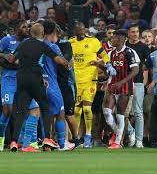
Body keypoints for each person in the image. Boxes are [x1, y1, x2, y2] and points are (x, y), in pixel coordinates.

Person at [7, 23, 69, 152]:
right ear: (42, 33)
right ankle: (47, 138)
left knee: (21, 111)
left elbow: (12, 59)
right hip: (35, 78)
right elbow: (57, 59)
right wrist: (65, 63)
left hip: (21, 78)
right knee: (44, 107)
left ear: (31, 33)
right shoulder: (42, 45)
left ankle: (14, 142)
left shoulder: (23, 44)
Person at [69, 22, 116, 148]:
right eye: (79, 30)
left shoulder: (93, 41)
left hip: (90, 79)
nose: (81, 32)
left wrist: (108, 64)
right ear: (75, 31)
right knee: (77, 111)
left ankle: (88, 136)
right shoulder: (71, 42)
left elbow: (104, 54)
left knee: (87, 108)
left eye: (83, 29)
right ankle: (76, 138)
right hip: (76, 80)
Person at [0, 20, 40, 152]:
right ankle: (1, 139)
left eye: (28, 27)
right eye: (24, 27)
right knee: (8, 110)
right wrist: (5, 55)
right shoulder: (6, 40)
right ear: (16, 28)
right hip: (9, 79)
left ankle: (27, 143)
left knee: (34, 109)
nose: (27, 29)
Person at [102, 29, 139, 149]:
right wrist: (99, 66)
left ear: (121, 39)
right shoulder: (111, 53)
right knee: (107, 112)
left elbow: (135, 70)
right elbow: (108, 70)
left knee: (120, 115)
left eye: (114, 38)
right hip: (112, 86)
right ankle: (125, 132)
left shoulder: (129, 52)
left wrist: (121, 82)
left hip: (125, 87)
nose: (111, 40)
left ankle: (117, 142)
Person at [42, 20, 75, 151]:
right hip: (52, 83)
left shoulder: (37, 45)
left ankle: (46, 142)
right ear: (54, 31)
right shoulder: (53, 47)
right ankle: (62, 144)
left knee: (46, 114)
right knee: (60, 113)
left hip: (39, 83)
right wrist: (69, 62)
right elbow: (65, 63)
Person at [126, 24, 150, 148]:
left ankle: (139, 140)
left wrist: (142, 69)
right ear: (128, 33)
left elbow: (150, 62)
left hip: (138, 82)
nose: (135, 34)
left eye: (136, 32)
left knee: (138, 112)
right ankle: (131, 132)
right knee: (119, 112)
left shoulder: (144, 47)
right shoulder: (124, 46)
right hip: (125, 82)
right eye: (133, 32)